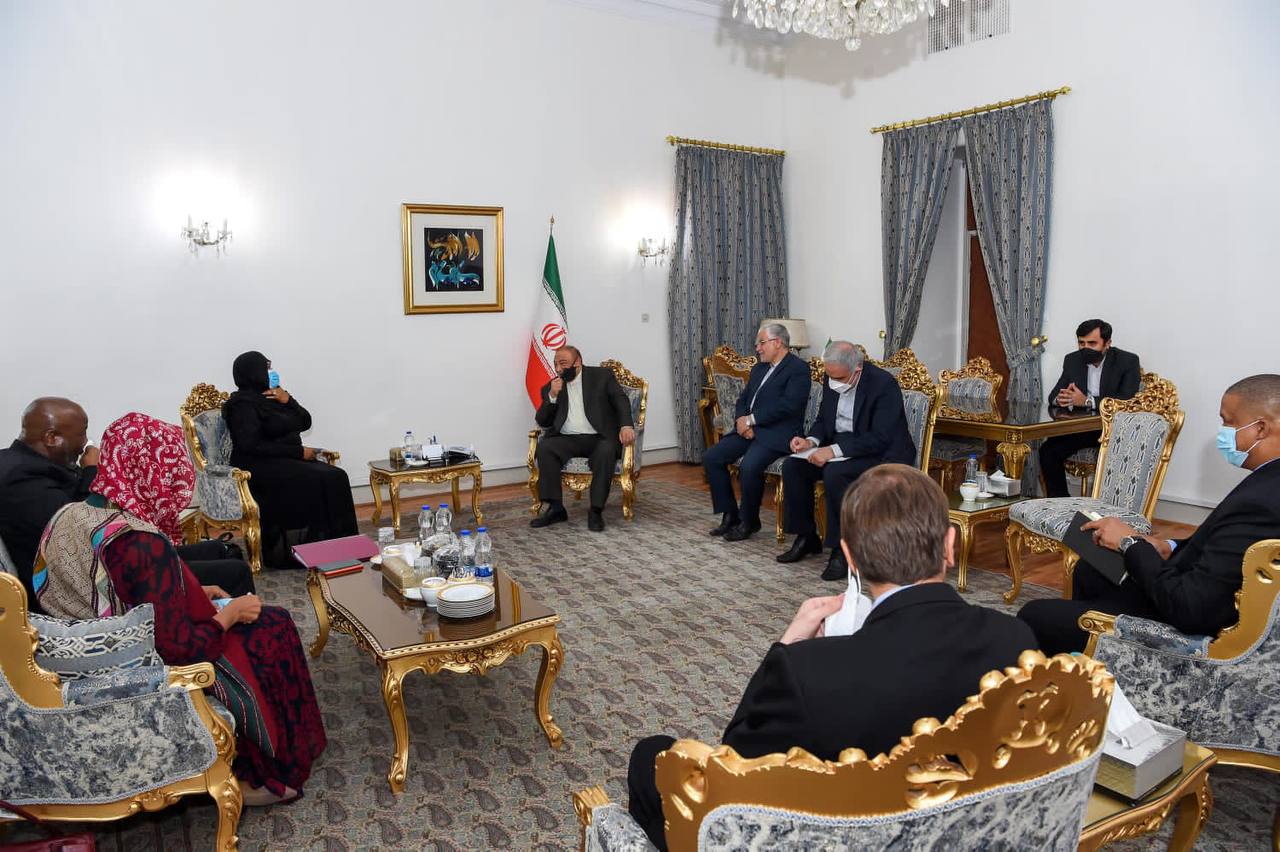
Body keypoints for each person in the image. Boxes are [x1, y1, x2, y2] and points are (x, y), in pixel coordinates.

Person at [627, 465, 1035, 849]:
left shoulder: (808, 671)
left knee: (652, 754)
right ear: (950, 544)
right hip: (971, 833)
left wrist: (786, 648)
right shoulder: (1015, 640)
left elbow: (732, 770)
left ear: (850, 557)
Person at [33, 413, 326, 806]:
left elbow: (117, 587)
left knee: (261, 616)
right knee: (273, 625)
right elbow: (182, 649)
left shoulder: (70, 514)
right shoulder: (139, 541)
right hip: (141, 663)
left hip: (84, 648)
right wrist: (230, 614)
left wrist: (190, 590)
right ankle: (258, 769)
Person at [1019, 374, 1280, 654]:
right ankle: (1087, 640)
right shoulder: (1267, 481)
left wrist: (1131, 542)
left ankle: (1095, 648)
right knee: (1092, 568)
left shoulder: (1262, 504)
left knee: (1035, 616)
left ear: (1260, 429)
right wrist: (1168, 546)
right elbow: (1225, 546)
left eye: (1228, 422)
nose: (1223, 431)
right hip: (1192, 587)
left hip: (1188, 625)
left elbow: (1192, 609)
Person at [0, 398, 253, 612]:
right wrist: (91, 470)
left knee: (219, 550)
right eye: (82, 434)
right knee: (235, 572)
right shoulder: (19, 478)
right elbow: (73, 527)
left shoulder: (33, 463)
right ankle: (221, 640)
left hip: (102, 560)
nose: (86, 443)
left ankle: (217, 619)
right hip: (85, 585)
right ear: (52, 438)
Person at [776, 341, 916, 580]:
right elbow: (824, 419)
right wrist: (811, 441)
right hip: (841, 446)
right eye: (830, 376)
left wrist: (833, 451)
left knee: (835, 474)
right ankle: (806, 536)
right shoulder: (832, 375)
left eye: (839, 378)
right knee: (793, 466)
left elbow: (880, 437)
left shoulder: (883, 384)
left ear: (857, 369)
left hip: (880, 453)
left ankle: (842, 550)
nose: (833, 382)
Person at [223, 351, 357, 564]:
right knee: (319, 479)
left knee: (337, 476)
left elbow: (305, 421)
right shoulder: (241, 405)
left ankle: (339, 547)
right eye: (266, 367)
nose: (270, 372)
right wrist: (298, 452)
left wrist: (288, 400)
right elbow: (251, 445)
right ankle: (301, 550)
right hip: (258, 466)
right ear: (253, 372)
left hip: (285, 459)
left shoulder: (273, 397)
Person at [703, 324, 811, 542]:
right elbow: (743, 399)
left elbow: (788, 406)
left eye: (761, 343)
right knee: (712, 457)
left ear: (777, 343)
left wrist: (752, 420)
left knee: (749, 467)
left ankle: (749, 521)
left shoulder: (798, 369)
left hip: (777, 433)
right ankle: (730, 514)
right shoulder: (759, 368)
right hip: (749, 429)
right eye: (757, 344)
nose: (757, 348)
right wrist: (741, 420)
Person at [530, 345, 636, 532]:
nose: (559, 369)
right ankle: (556, 508)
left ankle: (595, 511)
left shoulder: (601, 376)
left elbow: (620, 399)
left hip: (599, 437)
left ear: (577, 361)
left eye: (563, 363)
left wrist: (626, 425)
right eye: (556, 364)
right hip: (568, 438)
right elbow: (542, 421)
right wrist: (552, 396)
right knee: (545, 448)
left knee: (606, 451)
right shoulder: (552, 386)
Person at [1039, 319, 1141, 497]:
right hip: (1082, 428)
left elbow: (1127, 401)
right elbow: (1053, 396)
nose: (1085, 348)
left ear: (1107, 343)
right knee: (1048, 450)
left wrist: (1087, 401)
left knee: (1110, 455)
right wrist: (1063, 399)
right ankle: (1060, 503)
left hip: (1112, 430)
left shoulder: (1127, 361)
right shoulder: (1072, 360)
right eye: (1082, 343)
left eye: (1092, 343)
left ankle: (1105, 505)